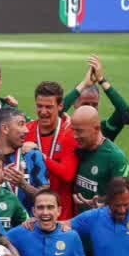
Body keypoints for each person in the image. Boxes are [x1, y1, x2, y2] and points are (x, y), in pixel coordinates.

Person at [0, 107, 49, 212]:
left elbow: (47, 199)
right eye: (21, 124)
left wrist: (23, 185)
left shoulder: (32, 156)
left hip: (26, 221)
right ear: (5, 129)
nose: (26, 130)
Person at [26, 81, 79, 219]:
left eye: (49, 107)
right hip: (31, 216)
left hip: (61, 217)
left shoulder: (69, 134)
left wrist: (40, 156)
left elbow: (67, 174)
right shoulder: (26, 130)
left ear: (60, 106)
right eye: (39, 106)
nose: (43, 112)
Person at [63, 55, 129, 142]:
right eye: (85, 104)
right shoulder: (64, 126)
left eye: (95, 104)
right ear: (74, 103)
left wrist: (101, 80)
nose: (91, 108)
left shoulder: (104, 129)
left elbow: (124, 111)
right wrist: (84, 84)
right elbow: (57, 111)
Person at [71, 105, 129, 211]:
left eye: (79, 131)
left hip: (102, 219)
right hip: (78, 218)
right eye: (73, 130)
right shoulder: (77, 148)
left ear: (97, 128)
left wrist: (101, 202)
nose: (75, 136)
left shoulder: (115, 157)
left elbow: (123, 194)